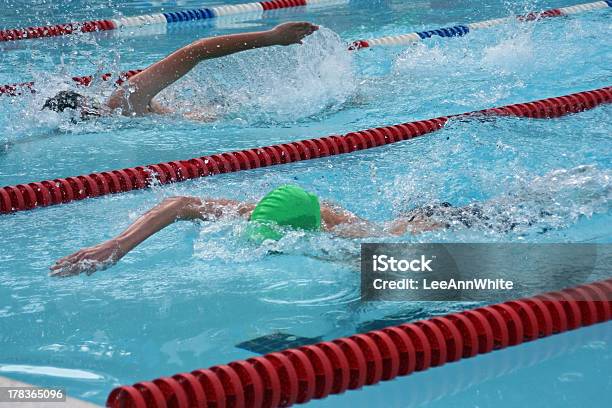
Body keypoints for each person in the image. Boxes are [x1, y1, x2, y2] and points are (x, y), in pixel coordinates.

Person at [49, 184, 449, 277]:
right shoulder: (253, 212)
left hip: (430, 221)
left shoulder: (345, 238)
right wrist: (117, 245)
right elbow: (180, 204)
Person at [42, 22, 319, 120]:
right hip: (229, 114)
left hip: (228, 112)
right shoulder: (122, 107)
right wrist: (271, 37)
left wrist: (272, 37)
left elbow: (195, 51)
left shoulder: (124, 101)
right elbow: (195, 51)